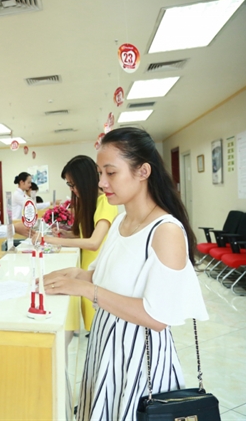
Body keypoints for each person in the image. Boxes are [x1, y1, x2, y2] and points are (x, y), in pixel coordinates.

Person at [43, 127, 208, 420]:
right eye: (100, 173)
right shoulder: (121, 222)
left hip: (139, 357)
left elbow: (157, 317)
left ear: (143, 171)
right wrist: (76, 275)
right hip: (107, 341)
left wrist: (86, 289)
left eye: (111, 173)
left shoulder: (165, 231)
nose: (101, 182)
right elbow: (107, 278)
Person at [43, 155, 118, 342]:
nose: (72, 190)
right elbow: (86, 236)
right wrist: (65, 235)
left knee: (100, 325)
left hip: (97, 271)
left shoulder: (106, 203)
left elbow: (94, 242)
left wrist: (55, 241)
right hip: (86, 269)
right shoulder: (91, 203)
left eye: (73, 184)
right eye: (69, 185)